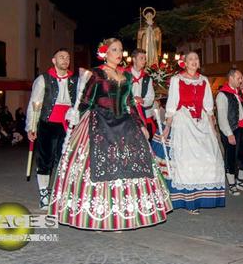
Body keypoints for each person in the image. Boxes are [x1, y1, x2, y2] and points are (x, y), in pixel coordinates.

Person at [49, 38, 171, 230]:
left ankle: (125, 215)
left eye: (120, 50)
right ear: (105, 52)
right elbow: (87, 100)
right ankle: (99, 215)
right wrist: (75, 113)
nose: (118, 53)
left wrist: (141, 125)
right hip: (100, 123)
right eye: (114, 49)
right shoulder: (96, 73)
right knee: (98, 165)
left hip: (125, 124)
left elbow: (130, 103)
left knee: (133, 164)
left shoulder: (126, 76)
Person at [160, 51, 225, 214]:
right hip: (183, 122)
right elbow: (172, 105)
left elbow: (209, 107)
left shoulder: (203, 80)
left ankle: (202, 197)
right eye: (191, 59)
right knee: (187, 163)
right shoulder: (176, 80)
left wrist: (213, 129)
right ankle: (190, 201)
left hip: (201, 122)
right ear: (185, 63)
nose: (194, 61)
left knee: (209, 160)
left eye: (196, 58)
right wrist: (167, 127)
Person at [26, 48, 79, 210]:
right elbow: (34, 104)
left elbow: (78, 103)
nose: (65, 60)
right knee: (45, 160)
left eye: (68, 58)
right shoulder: (43, 79)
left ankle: (61, 193)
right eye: (61, 57)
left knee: (65, 160)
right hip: (47, 124)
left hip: (68, 126)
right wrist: (31, 126)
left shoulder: (75, 80)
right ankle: (44, 194)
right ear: (54, 60)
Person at [216, 69, 243, 196]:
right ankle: (232, 185)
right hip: (231, 130)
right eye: (239, 78)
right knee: (231, 158)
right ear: (231, 78)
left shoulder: (241, 94)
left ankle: (240, 182)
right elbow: (222, 118)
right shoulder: (222, 95)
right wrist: (229, 134)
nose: (241, 80)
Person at [126, 48, 156, 139]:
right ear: (134, 59)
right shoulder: (124, 74)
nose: (144, 61)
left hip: (143, 114)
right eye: (141, 58)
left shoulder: (147, 78)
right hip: (127, 113)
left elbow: (151, 97)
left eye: (145, 58)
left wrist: (142, 100)